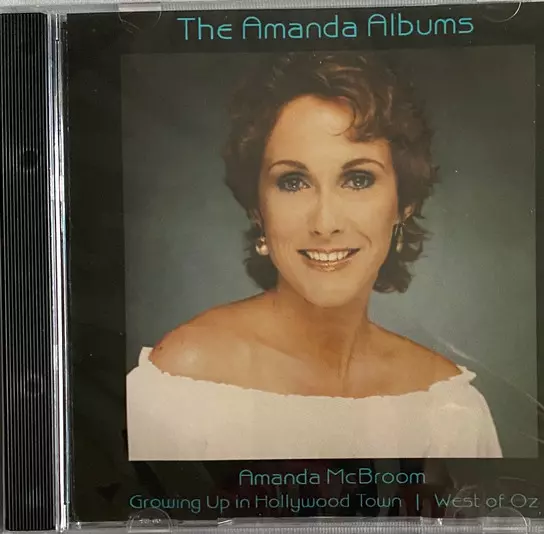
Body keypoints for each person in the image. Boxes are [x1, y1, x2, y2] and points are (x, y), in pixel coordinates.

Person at [126, 51, 502, 460]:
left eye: (357, 179)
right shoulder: (185, 380)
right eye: (293, 182)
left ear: (404, 203)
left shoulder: (449, 408)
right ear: (257, 208)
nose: (325, 223)